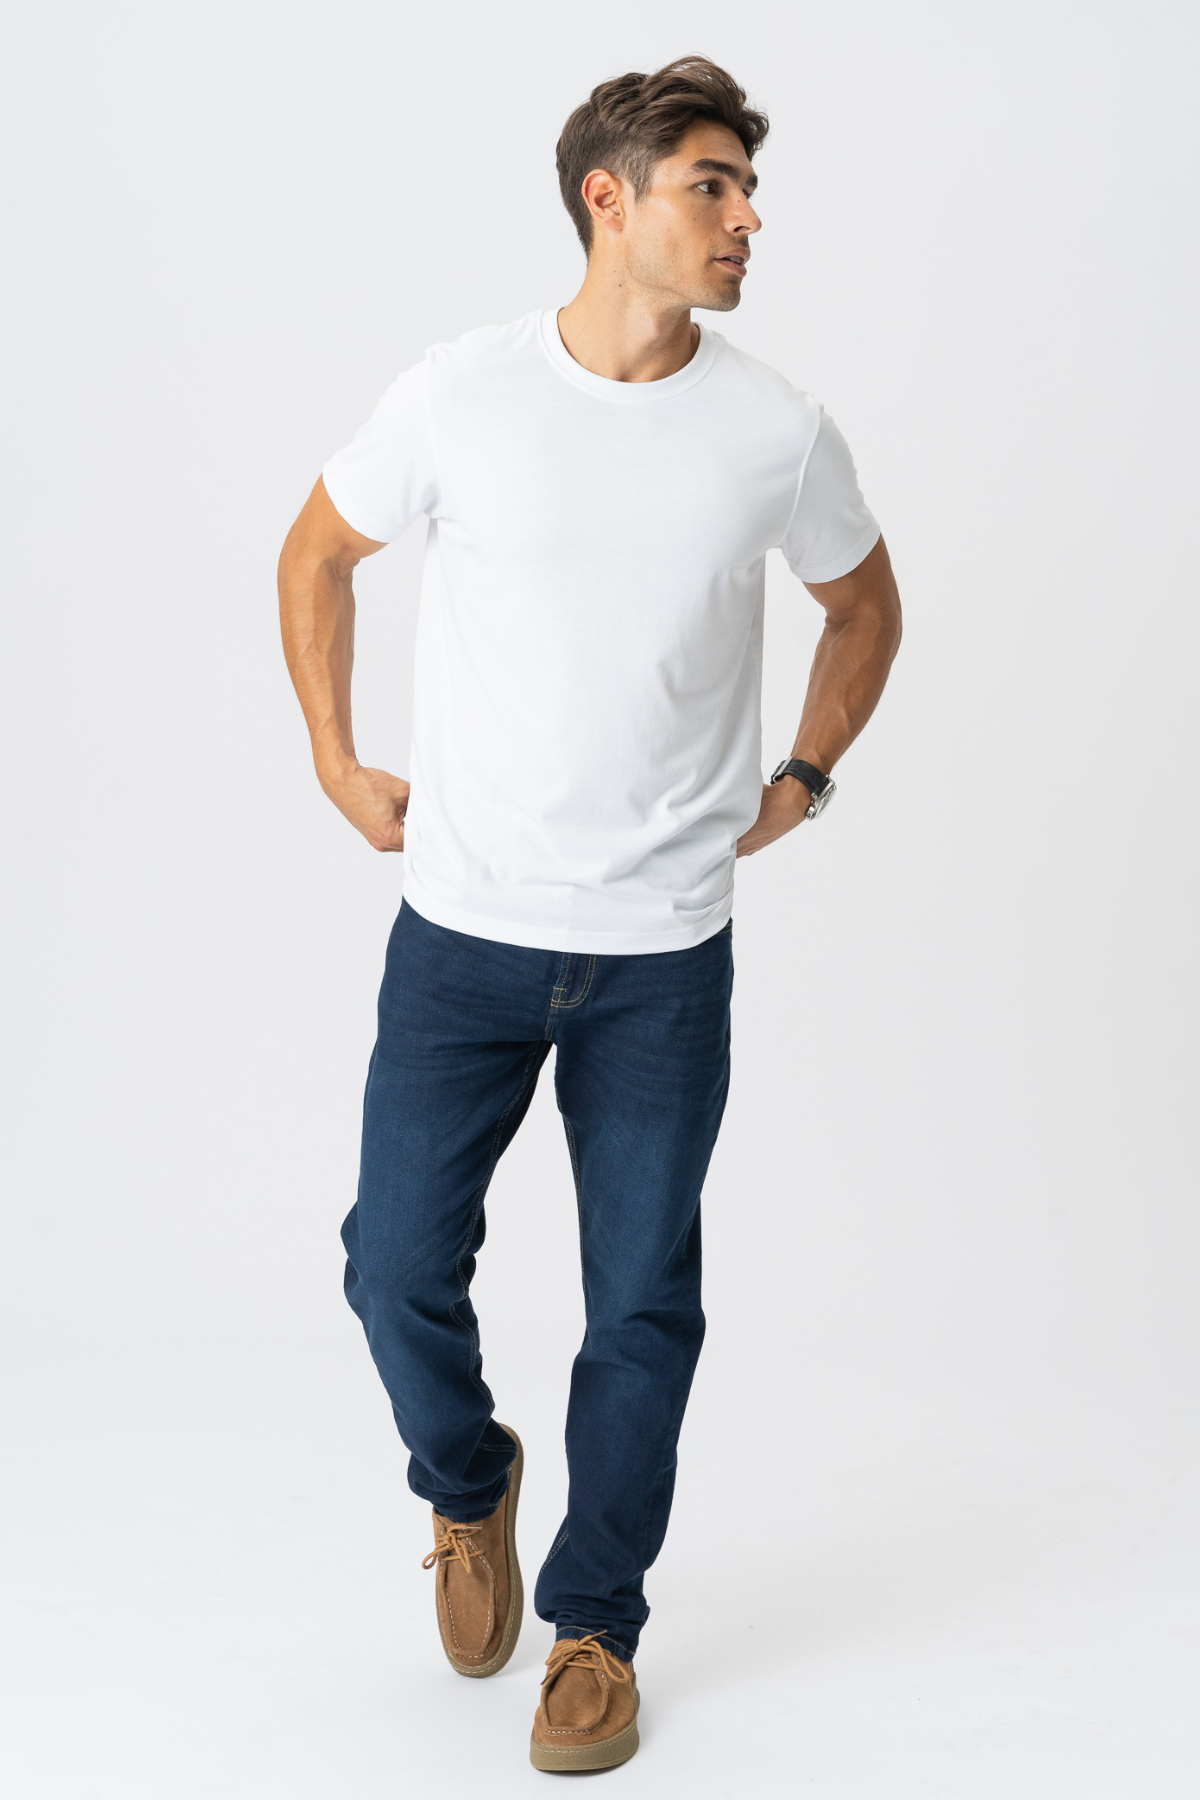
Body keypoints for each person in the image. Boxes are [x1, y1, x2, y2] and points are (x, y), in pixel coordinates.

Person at [278, 54, 901, 1774]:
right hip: (463, 935)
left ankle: (595, 1629)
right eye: (713, 185)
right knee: (392, 1265)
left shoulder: (777, 428)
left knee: (639, 1305)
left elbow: (865, 606)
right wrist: (335, 758)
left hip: (663, 959)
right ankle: (465, 1478)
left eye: (747, 188)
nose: (748, 217)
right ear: (607, 200)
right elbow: (316, 553)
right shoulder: (461, 393)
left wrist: (806, 776)